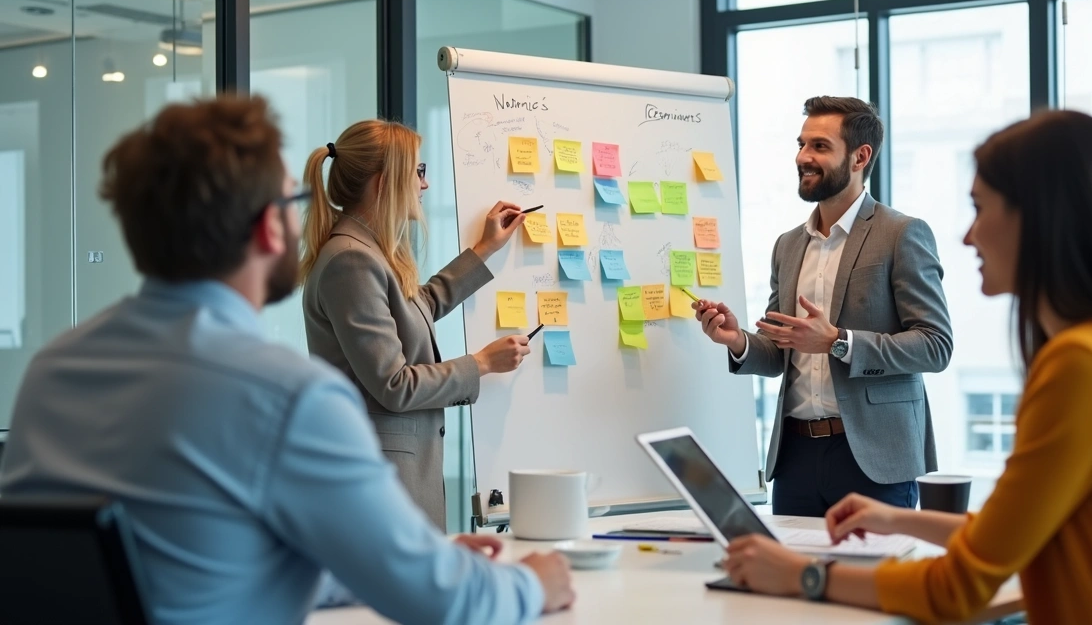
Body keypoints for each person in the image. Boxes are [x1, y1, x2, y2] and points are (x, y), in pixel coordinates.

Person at [0, 96, 574, 624]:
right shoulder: (289, 398)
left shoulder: (52, 373)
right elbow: (444, 601)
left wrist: (404, 558)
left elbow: (199, 569)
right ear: (267, 228)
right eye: (294, 201)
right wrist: (530, 583)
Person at [721, 110, 1092, 623]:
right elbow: (1013, 531)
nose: (967, 236)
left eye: (979, 208)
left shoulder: (1085, 366)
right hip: (799, 451)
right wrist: (897, 520)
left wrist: (803, 576)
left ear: (1039, 217)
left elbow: (957, 588)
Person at [694, 96, 952, 516]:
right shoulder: (788, 245)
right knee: (788, 562)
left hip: (874, 458)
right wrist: (738, 340)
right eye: (801, 145)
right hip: (795, 457)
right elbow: (781, 353)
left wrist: (837, 341)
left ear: (859, 157)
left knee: (871, 564)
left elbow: (935, 345)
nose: (803, 157)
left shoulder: (901, 234)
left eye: (819, 146)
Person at [300, 121, 527, 530]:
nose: (425, 183)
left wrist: (484, 250)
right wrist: (481, 363)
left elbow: (420, 306)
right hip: (381, 485)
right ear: (384, 183)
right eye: (418, 171)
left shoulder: (367, 252)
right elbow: (394, 384)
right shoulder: (351, 260)